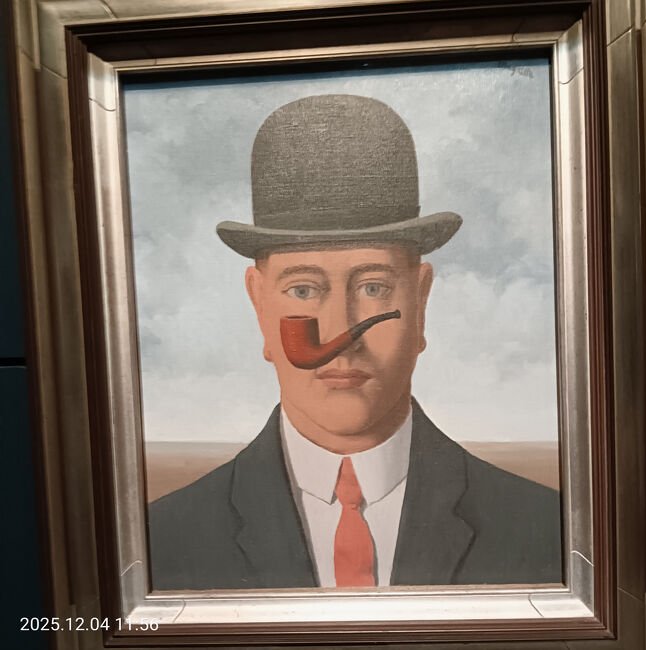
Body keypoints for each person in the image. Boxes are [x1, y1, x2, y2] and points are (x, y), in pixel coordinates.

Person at [148, 94, 562, 590]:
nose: (340, 338)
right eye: (303, 290)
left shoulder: (546, 533)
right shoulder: (162, 543)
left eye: (373, 288)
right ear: (259, 306)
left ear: (421, 302)